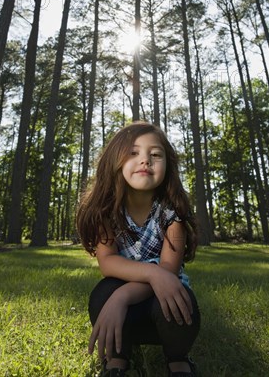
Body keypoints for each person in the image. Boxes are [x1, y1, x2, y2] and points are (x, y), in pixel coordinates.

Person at [76, 122, 200, 377]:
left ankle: (178, 360)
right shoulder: (106, 213)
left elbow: (167, 272)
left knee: (179, 301)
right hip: (126, 311)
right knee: (103, 294)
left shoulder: (172, 214)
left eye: (155, 154)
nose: (145, 160)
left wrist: (124, 296)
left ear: (167, 165)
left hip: (164, 306)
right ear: (116, 161)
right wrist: (123, 294)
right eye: (133, 153)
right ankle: (118, 359)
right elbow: (107, 262)